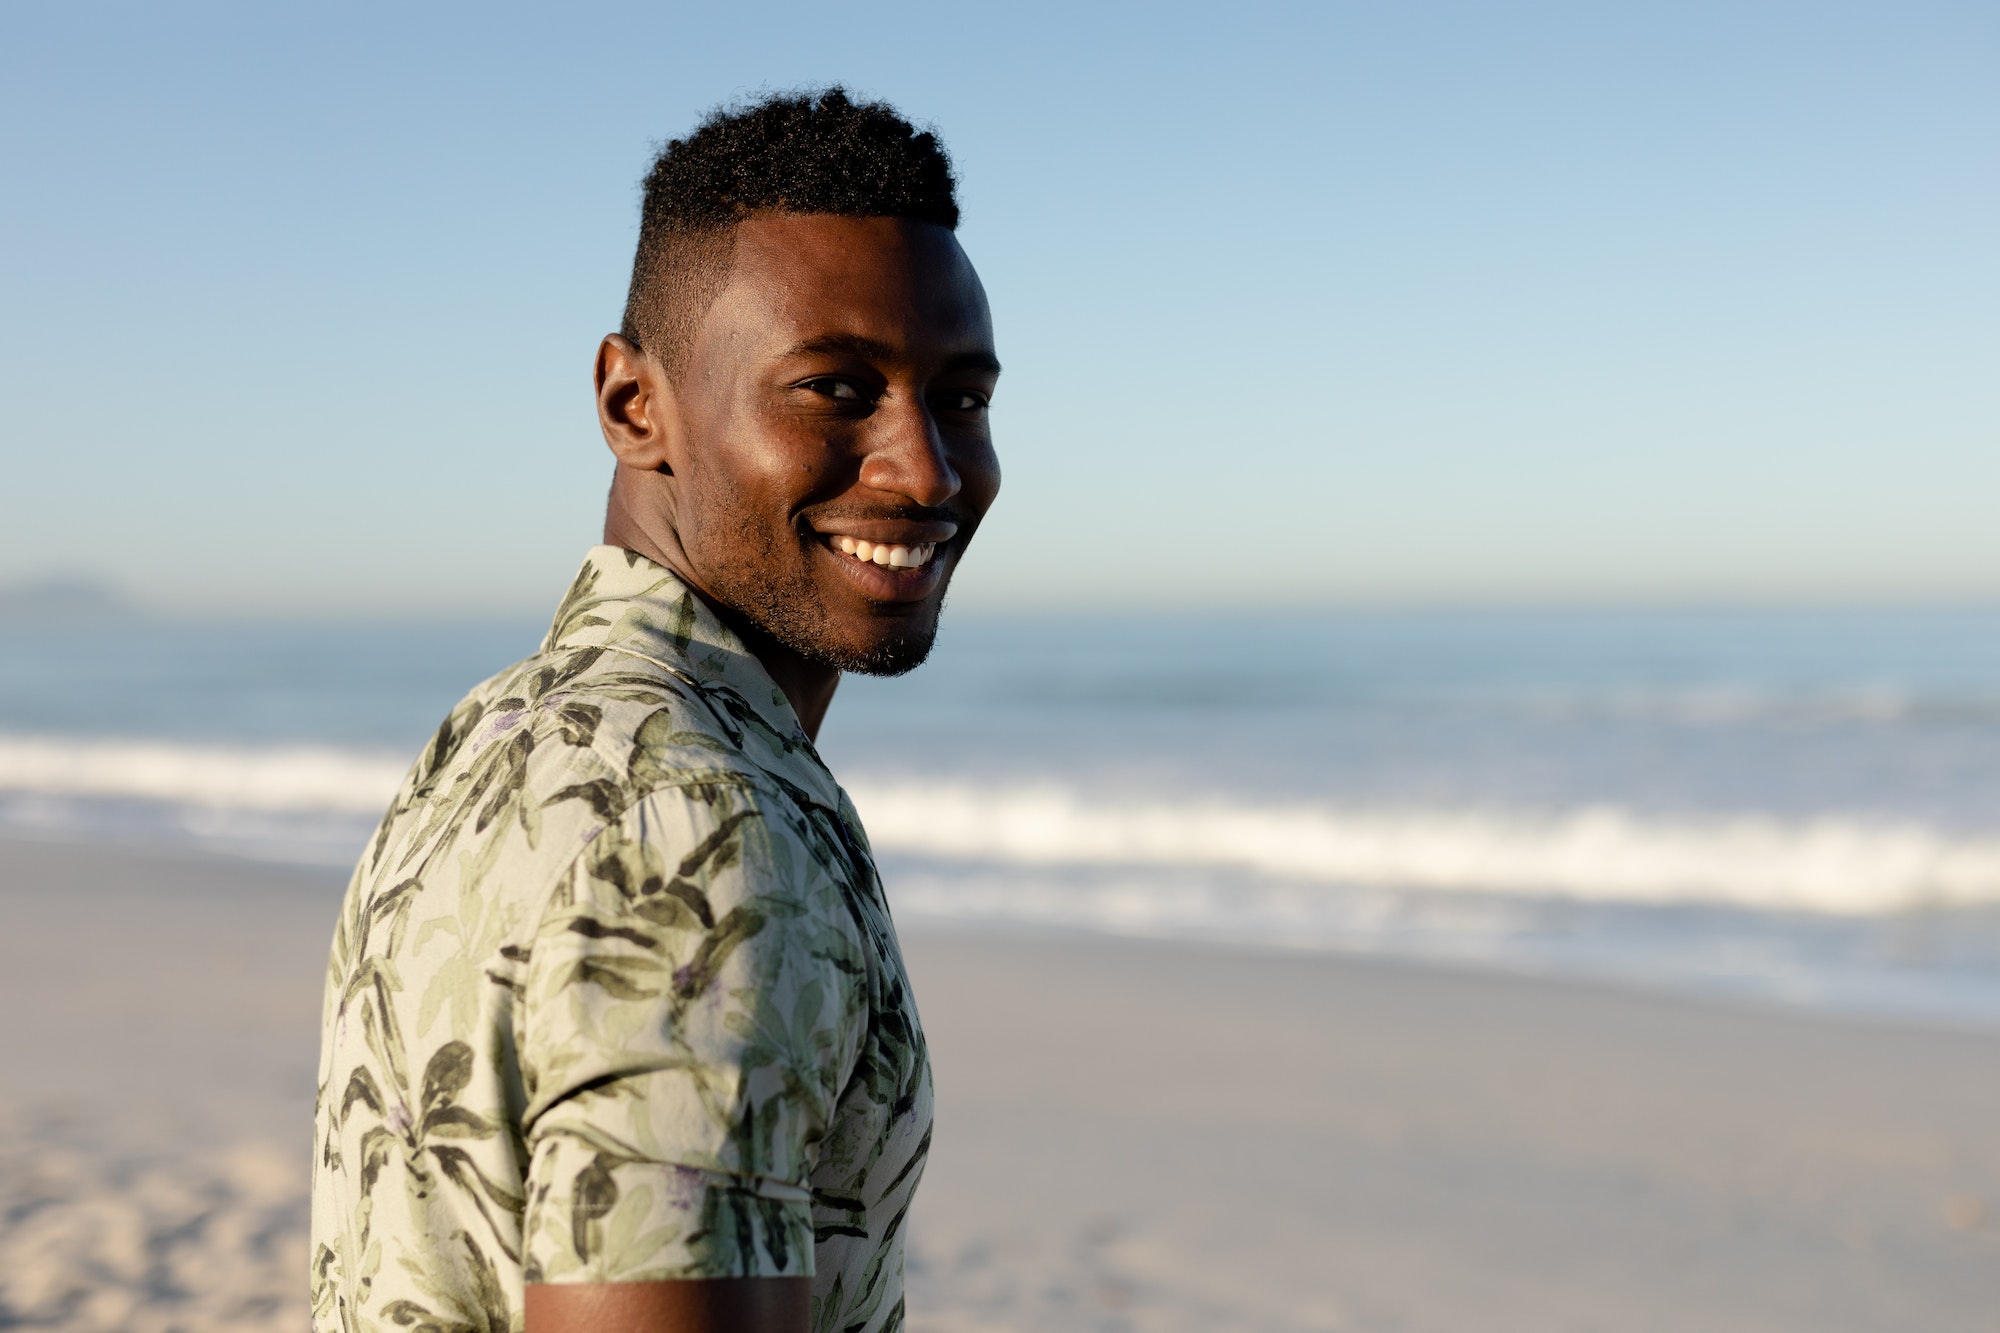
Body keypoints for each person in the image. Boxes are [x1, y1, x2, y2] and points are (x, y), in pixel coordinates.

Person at [311, 88, 1001, 1333]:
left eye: (958, 396)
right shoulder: (698, 827)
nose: (927, 469)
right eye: (837, 389)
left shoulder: (495, 733)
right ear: (635, 406)